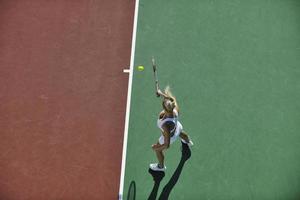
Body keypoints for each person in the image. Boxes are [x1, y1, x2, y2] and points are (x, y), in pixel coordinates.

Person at [150, 86, 193, 171]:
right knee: (180, 132)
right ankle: (188, 142)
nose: (165, 100)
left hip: (170, 136)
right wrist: (161, 93)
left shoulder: (166, 125)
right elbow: (171, 99)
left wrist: (156, 148)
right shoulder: (175, 108)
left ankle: (161, 167)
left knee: (158, 151)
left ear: (164, 109)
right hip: (177, 128)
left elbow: (167, 145)